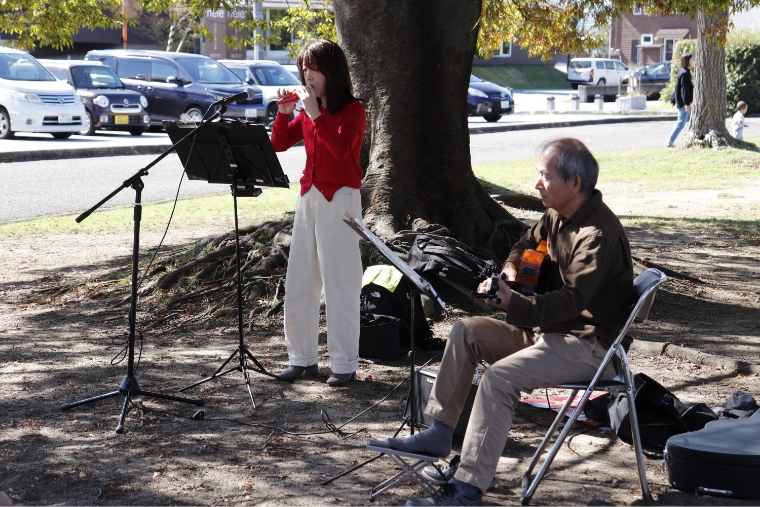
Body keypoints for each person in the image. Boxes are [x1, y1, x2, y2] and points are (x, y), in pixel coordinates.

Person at [386, 138, 634, 506]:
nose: (536, 184)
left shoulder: (595, 235)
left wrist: (513, 302)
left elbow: (572, 302)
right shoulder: (557, 214)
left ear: (575, 183)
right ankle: (439, 431)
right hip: (549, 332)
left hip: (589, 345)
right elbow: (524, 242)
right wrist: (511, 270)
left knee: (499, 378)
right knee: (466, 330)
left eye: (544, 176)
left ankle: (468, 489)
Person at [269, 39, 366, 387]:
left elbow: (342, 151)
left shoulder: (353, 110)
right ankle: (302, 358)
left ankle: (344, 364)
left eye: (314, 70)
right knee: (300, 279)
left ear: (332, 72)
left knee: (340, 284)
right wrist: (283, 115)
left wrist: (314, 113)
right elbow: (279, 143)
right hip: (308, 196)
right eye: (303, 70)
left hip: (340, 198)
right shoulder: (310, 109)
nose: (307, 77)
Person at [667, 53, 693, 148]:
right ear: (687, 61)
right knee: (681, 123)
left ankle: (692, 139)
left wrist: (673, 99)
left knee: (691, 121)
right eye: (692, 59)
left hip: (684, 103)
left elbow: (677, 87)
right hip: (684, 104)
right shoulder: (684, 73)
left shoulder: (683, 72)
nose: (693, 61)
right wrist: (686, 103)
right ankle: (669, 142)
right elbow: (684, 89)